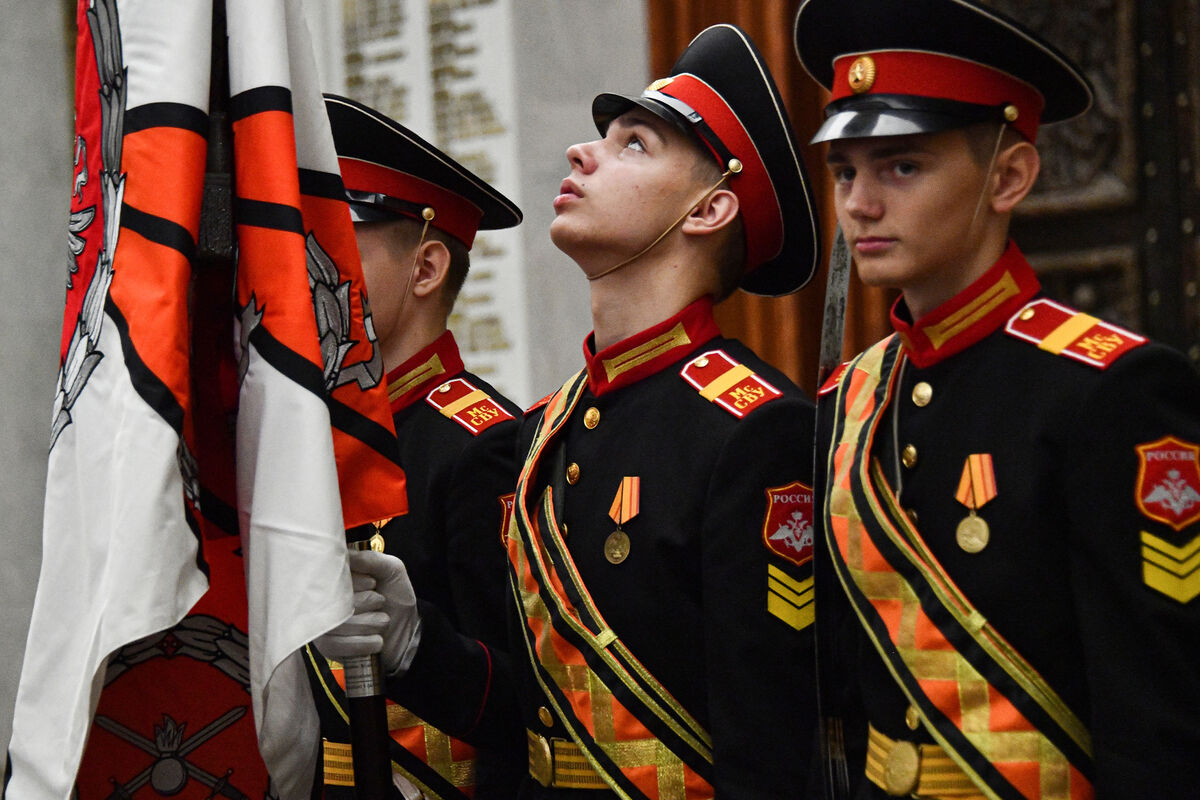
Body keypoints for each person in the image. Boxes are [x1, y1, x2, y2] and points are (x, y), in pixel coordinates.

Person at [318, 24, 824, 799]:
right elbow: (524, 722)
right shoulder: (547, 430)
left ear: (710, 209)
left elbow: (771, 748)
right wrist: (417, 647)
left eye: (634, 146)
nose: (581, 153)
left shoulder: (753, 428)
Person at [793, 1, 1200, 797]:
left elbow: (1158, 721)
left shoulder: (1107, 391)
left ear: (1009, 176)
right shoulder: (849, 401)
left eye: (901, 167)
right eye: (845, 172)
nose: (860, 204)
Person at [308, 94, 525, 799]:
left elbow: (526, 700)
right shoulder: (311, 433)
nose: (306, 270)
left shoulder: (481, 443)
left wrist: (415, 647)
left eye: (332, 242)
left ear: (425, 270)